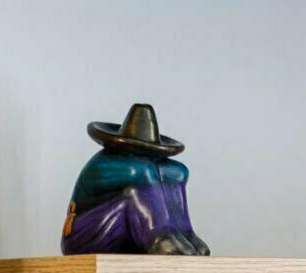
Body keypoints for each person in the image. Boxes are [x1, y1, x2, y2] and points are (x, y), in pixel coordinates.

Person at [61, 103, 209, 255]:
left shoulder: (151, 166)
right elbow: (138, 172)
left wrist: (177, 175)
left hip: (123, 238)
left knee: (176, 172)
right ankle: (160, 237)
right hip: (83, 238)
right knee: (132, 194)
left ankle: (184, 235)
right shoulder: (102, 164)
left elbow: (177, 172)